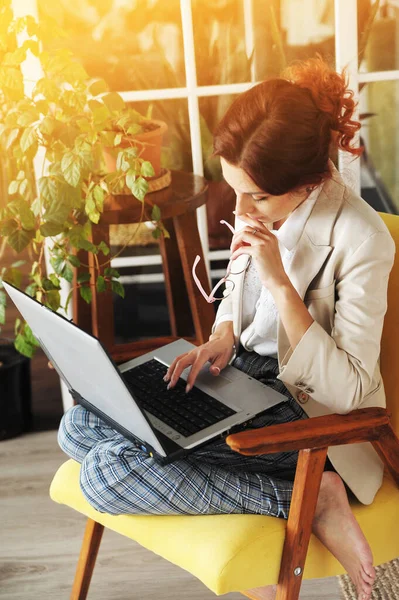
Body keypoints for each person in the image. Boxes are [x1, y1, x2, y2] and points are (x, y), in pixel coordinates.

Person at [58, 56, 395, 600]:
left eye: (256, 197)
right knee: (76, 429)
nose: (240, 209)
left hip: (309, 416)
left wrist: (284, 286)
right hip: (240, 380)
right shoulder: (259, 200)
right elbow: (238, 299)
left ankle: (314, 497)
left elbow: (352, 392)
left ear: (309, 183)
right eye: (235, 189)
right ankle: (287, 513)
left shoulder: (362, 239)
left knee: (104, 473)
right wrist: (220, 338)